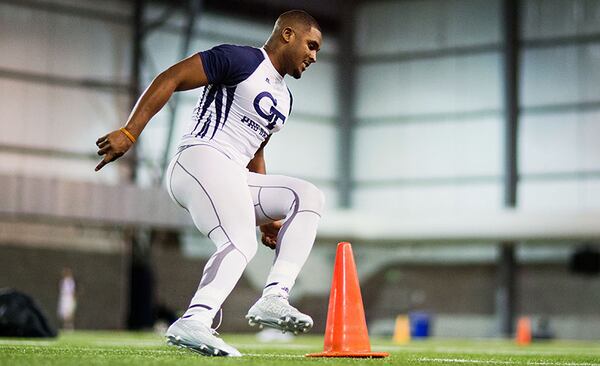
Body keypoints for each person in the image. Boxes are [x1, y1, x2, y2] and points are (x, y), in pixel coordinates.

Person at [95, 10, 324, 357]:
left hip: (235, 174)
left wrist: (267, 216)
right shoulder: (242, 59)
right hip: (199, 159)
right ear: (287, 35)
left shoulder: (285, 99)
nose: (314, 56)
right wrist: (130, 131)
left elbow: (255, 150)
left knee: (307, 196)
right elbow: (170, 77)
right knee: (239, 240)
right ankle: (195, 320)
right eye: (311, 45)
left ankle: (274, 297)